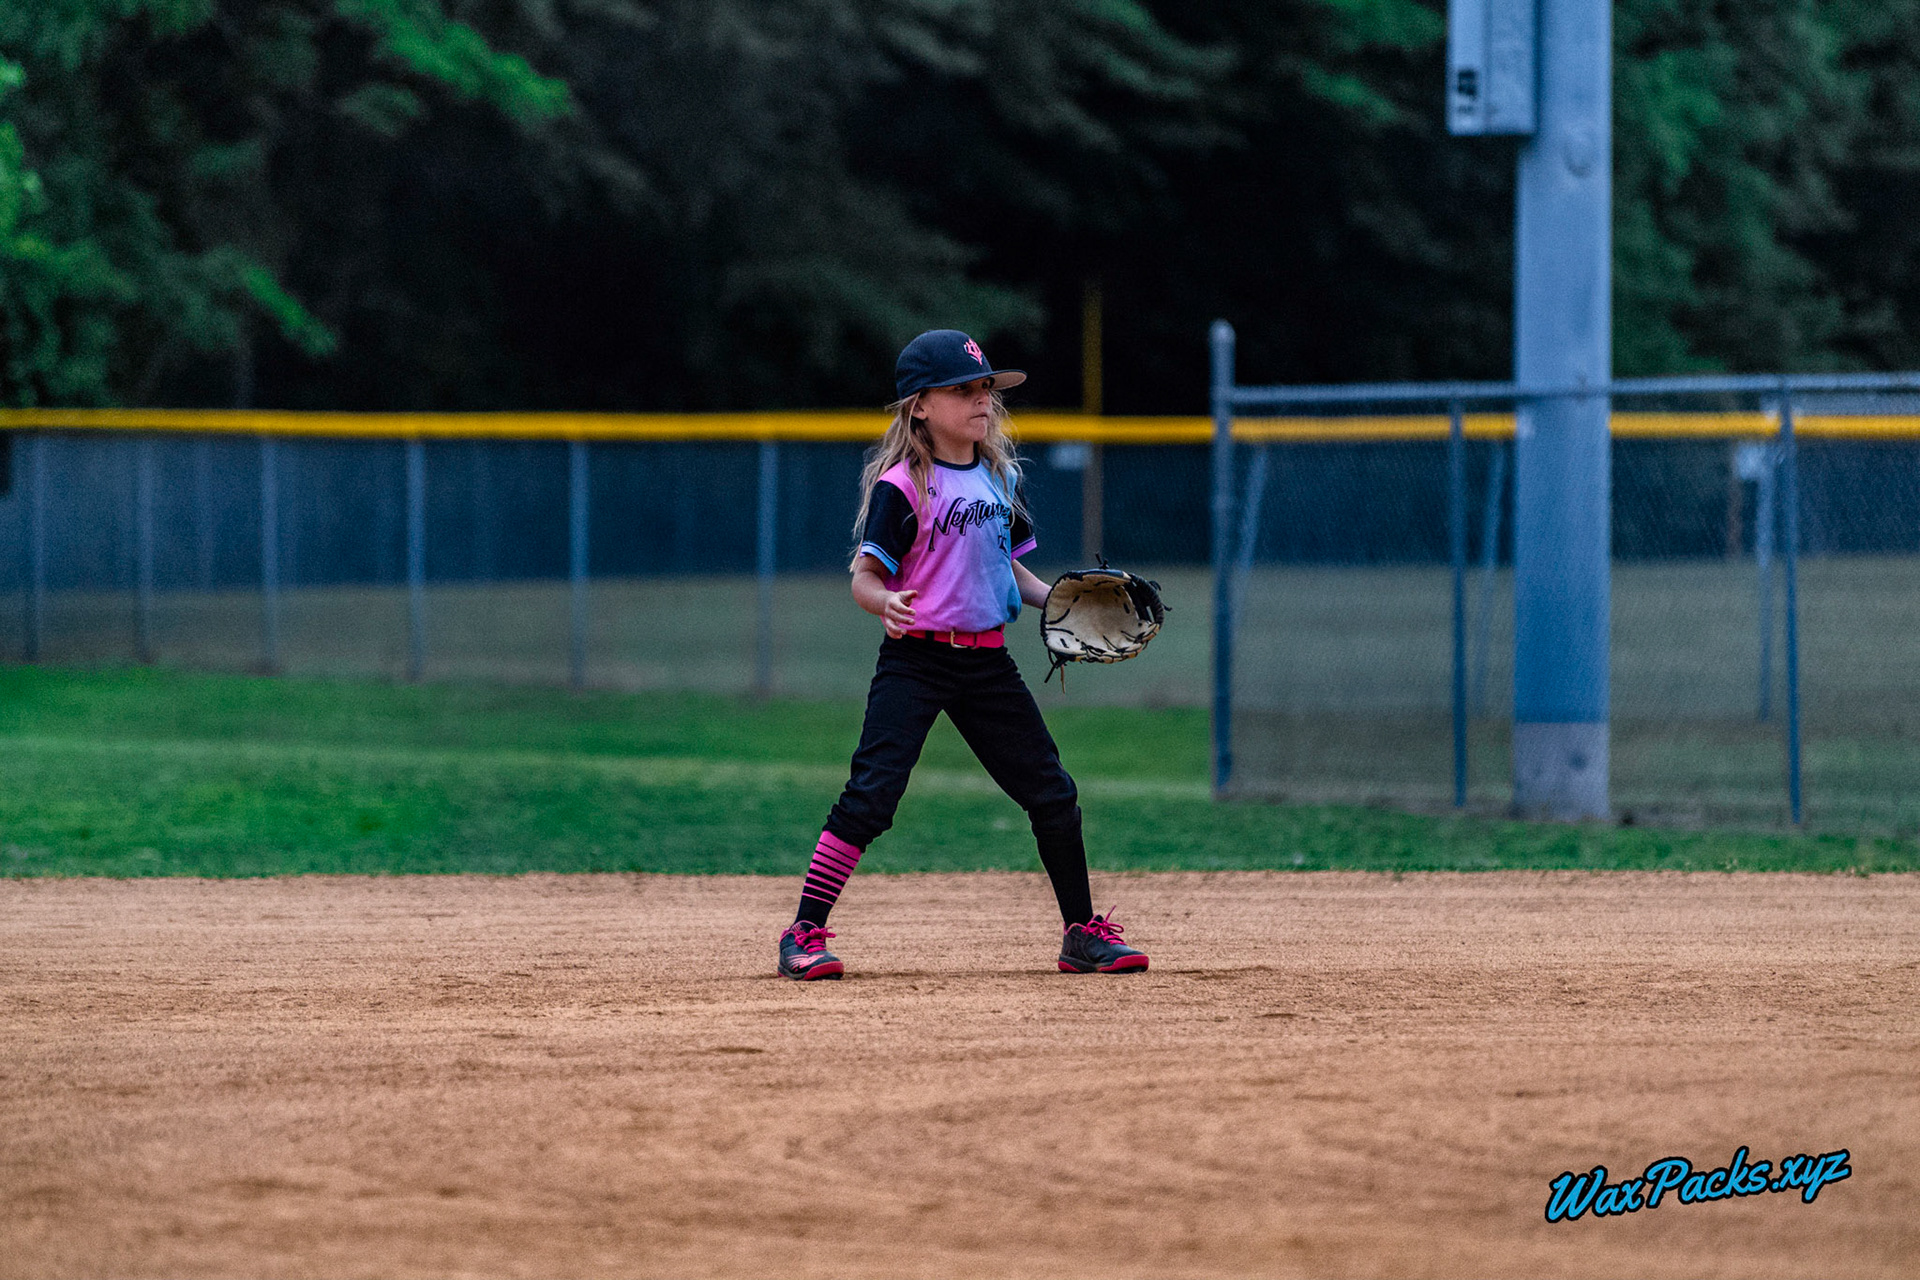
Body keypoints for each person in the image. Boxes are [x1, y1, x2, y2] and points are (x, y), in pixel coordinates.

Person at [776, 329, 1148, 980]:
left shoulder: (1000, 477)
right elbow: (865, 575)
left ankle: (1081, 934)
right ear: (920, 405)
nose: (982, 401)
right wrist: (880, 601)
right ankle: (805, 932)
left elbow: (1011, 575)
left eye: (986, 389)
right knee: (871, 798)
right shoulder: (904, 486)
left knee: (1052, 792)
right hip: (915, 661)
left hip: (986, 664)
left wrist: (1064, 601)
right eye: (964, 390)